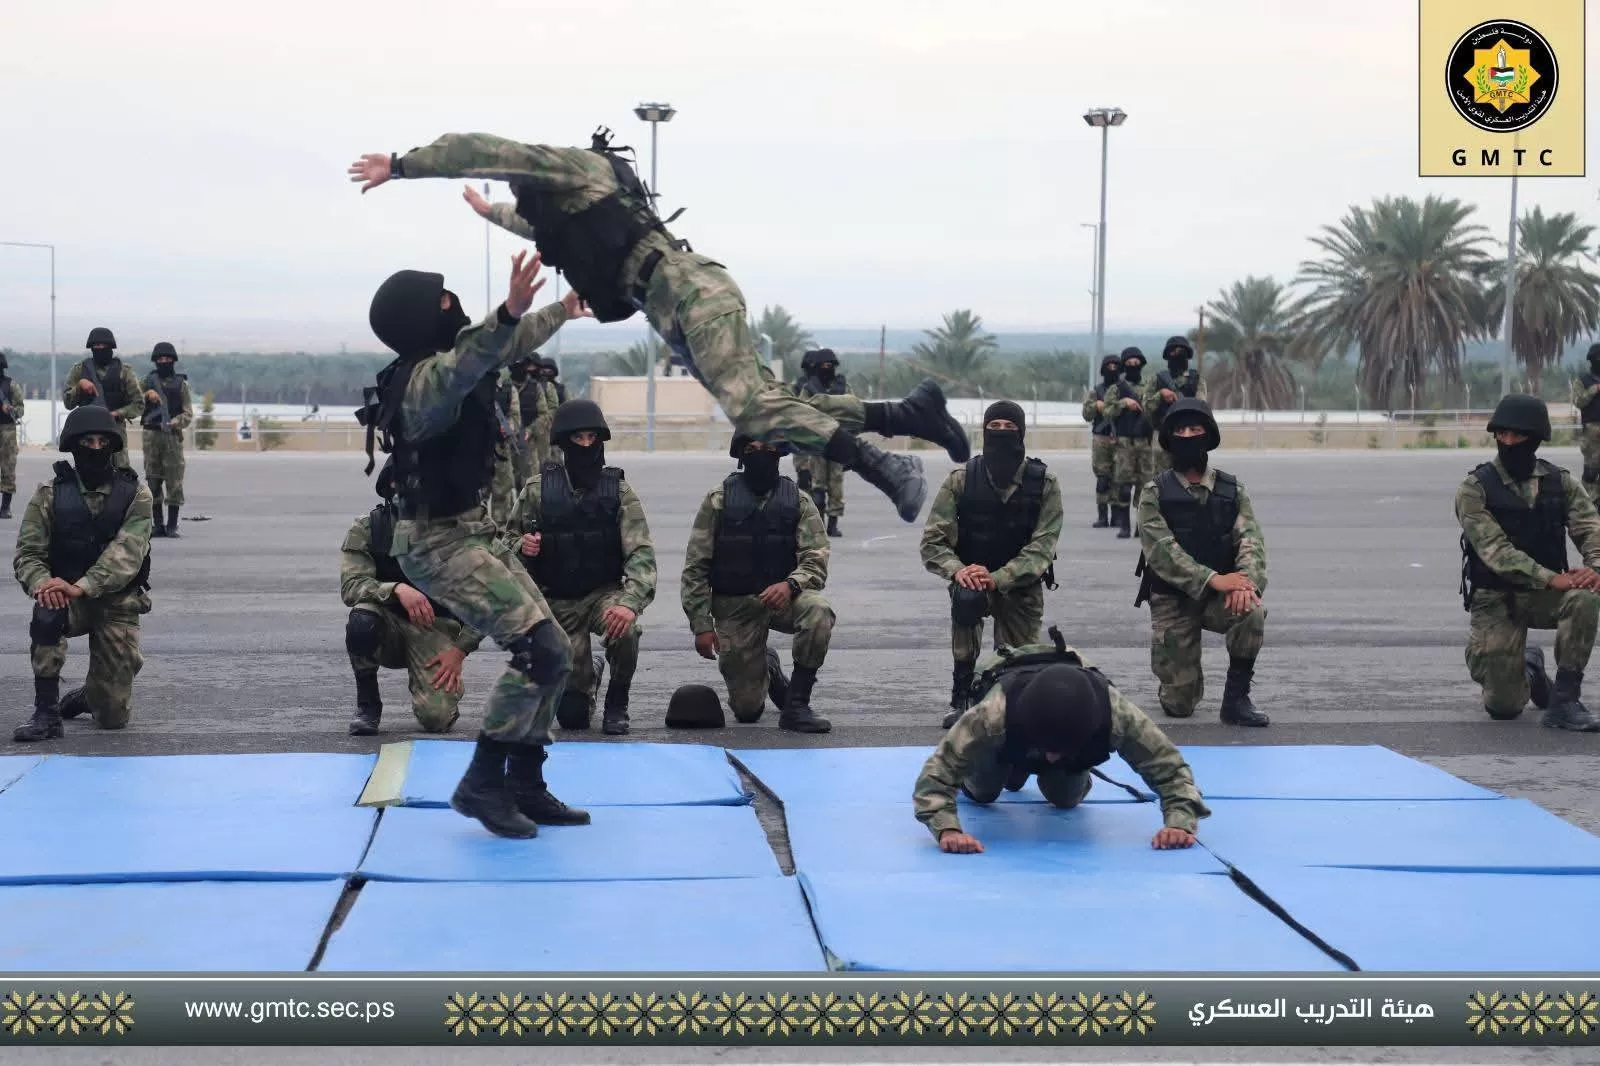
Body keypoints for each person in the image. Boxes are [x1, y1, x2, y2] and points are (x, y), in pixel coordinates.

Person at [347, 131, 972, 524]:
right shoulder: (570, 208)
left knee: (755, 412)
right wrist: (492, 214)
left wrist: (403, 166)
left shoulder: (571, 169)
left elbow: (480, 149)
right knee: (772, 408)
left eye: (515, 183)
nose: (513, 184)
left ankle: (885, 468)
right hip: (674, 307)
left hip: (693, 290)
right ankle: (909, 414)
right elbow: (545, 229)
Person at [359, 251, 594, 838]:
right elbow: (477, 352)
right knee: (538, 649)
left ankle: (526, 783)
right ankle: (483, 783)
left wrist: (562, 309)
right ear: (422, 317)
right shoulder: (425, 384)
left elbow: (499, 346)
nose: (453, 304)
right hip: (435, 542)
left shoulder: (448, 362)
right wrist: (509, 309)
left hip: (471, 529)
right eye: (443, 299)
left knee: (555, 649)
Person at [914, 637, 1208, 853]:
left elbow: (1168, 768)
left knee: (1066, 799)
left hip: (1054, 740)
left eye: (1060, 752)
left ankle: (1049, 764)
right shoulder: (993, 715)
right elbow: (938, 774)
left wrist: (1179, 822)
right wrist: (947, 829)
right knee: (984, 792)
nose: (1052, 758)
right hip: (1003, 743)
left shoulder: (1117, 715)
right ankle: (1010, 766)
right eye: (1047, 749)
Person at [1457, 393, 1600, 731]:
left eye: (1517, 435)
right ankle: (1530, 669)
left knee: (1585, 596)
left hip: (1543, 595)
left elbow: (1590, 527)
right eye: (1502, 434)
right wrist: (1550, 577)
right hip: (1497, 598)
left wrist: (1595, 568)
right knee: (1503, 707)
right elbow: (1495, 550)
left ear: (1535, 438)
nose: (1508, 442)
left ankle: (1564, 700)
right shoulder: (1474, 489)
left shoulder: (1560, 483)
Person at [514, 399, 656, 736]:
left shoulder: (619, 492)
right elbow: (502, 543)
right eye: (579, 438)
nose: (587, 445)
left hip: (603, 595)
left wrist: (629, 603)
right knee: (573, 717)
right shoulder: (536, 491)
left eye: (593, 437)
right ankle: (589, 673)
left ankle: (617, 702)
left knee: (626, 630)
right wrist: (522, 545)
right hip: (558, 602)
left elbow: (641, 555)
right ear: (564, 442)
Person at [12, 406, 153, 742]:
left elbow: (127, 555)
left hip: (116, 602)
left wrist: (82, 586)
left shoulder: (137, 494)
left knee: (113, 717)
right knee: (47, 610)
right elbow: (28, 553)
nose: (95, 448)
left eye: (102, 441)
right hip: (66, 597)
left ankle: (92, 695)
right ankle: (46, 714)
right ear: (73, 446)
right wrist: (43, 584)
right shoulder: (49, 494)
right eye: (87, 442)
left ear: (113, 446)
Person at [921, 401, 1062, 728]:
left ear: (1021, 433)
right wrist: (959, 571)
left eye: (1009, 427)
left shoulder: (1045, 483)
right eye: (994, 426)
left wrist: (997, 578)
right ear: (984, 431)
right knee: (966, 598)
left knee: (1018, 679)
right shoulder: (960, 480)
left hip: (1020, 585)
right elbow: (933, 542)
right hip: (972, 581)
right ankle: (961, 693)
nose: (1001, 432)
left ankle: (1011, 693)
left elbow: (1042, 549)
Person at [681, 435, 834, 732]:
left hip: (783, 599)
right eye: (751, 449)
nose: (760, 454)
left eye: (768, 448)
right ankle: (769, 667)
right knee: (747, 709)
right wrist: (701, 624)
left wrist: (791, 584)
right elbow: (696, 566)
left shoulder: (798, 500)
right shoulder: (718, 500)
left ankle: (797, 705)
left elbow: (816, 558)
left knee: (818, 611)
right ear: (741, 455)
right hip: (734, 606)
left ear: (779, 453)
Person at [1134, 399, 1269, 727]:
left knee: (1251, 609)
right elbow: (1162, 552)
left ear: (1208, 436)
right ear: (1169, 440)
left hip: (1220, 596)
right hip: (1174, 599)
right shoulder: (1154, 493)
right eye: (1179, 431)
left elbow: (1251, 542)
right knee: (1180, 705)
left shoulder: (1232, 489)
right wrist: (1213, 579)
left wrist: (1245, 583)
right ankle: (1176, 682)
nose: (1187, 436)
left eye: (1195, 429)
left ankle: (1236, 700)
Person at [341, 460, 483, 736]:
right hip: (388, 627)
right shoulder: (370, 527)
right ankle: (368, 704)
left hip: (436, 628)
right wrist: (396, 589)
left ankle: (437, 693)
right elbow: (351, 585)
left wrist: (459, 651)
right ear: (391, 484)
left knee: (437, 718)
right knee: (362, 619)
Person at [62, 328, 143, 472]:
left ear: (111, 347)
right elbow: (68, 403)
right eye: (96, 346)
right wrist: (79, 387)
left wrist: (116, 413)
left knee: (120, 472)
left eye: (103, 346)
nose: (100, 349)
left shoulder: (124, 372)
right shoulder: (79, 370)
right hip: (87, 431)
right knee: (86, 470)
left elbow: (139, 404)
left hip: (114, 431)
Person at [792, 348, 850, 537]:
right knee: (816, 484)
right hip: (817, 443)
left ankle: (832, 524)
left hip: (838, 441)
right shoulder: (807, 388)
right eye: (824, 365)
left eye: (830, 365)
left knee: (836, 484)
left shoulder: (842, 386)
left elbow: (853, 409)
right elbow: (799, 414)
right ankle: (817, 524)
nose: (828, 368)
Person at [140, 342, 194, 537]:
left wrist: (175, 422)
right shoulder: (146, 382)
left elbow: (188, 413)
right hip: (151, 435)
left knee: (174, 480)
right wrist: (146, 395)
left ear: (173, 361)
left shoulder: (181, 384)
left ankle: (172, 525)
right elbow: (133, 403)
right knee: (153, 479)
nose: (164, 362)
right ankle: (158, 524)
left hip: (171, 435)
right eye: (160, 359)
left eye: (167, 359)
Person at [1108, 346, 1154, 538]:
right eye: (1129, 363)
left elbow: (1156, 408)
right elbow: (1107, 412)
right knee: (1124, 485)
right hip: (1124, 442)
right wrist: (1123, 403)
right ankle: (1124, 526)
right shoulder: (1117, 388)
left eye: (1136, 362)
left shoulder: (1150, 386)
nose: (1133, 365)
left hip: (1144, 442)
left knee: (1145, 487)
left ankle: (1140, 526)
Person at [1144, 336, 1207, 474]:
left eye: (1181, 351)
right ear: (1167, 355)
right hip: (1162, 435)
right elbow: (1146, 407)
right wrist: (1160, 395)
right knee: (1161, 478)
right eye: (1173, 351)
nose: (1177, 355)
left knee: (1190, 476)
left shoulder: (1196, 379)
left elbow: (1201, 407)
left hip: (1189, 435)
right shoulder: (1157, 379)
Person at [1080, 354, 1121, 529]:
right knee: (1103, 478)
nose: (1112, 370)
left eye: (1115, 367)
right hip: (1101, 438)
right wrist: (1094, 406)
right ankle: (1102, 515)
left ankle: (1118, 516)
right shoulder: (1096, 391)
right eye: (1109, 367)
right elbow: (1086, 415)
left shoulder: (1124, 390)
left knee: (1119, 478)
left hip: (1120, 439)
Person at [1570, 342, 1600, 498]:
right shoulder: (1582, 381)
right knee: (1591, 472)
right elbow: (1578, 402)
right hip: (1591, 432)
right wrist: (1594, 389)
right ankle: (1586, 503)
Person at [0, 350, 25, 518]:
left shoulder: (11, 386)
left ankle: (5, 507)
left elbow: (21, 410)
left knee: (8, 468)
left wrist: (10, 409)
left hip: (6, 430)